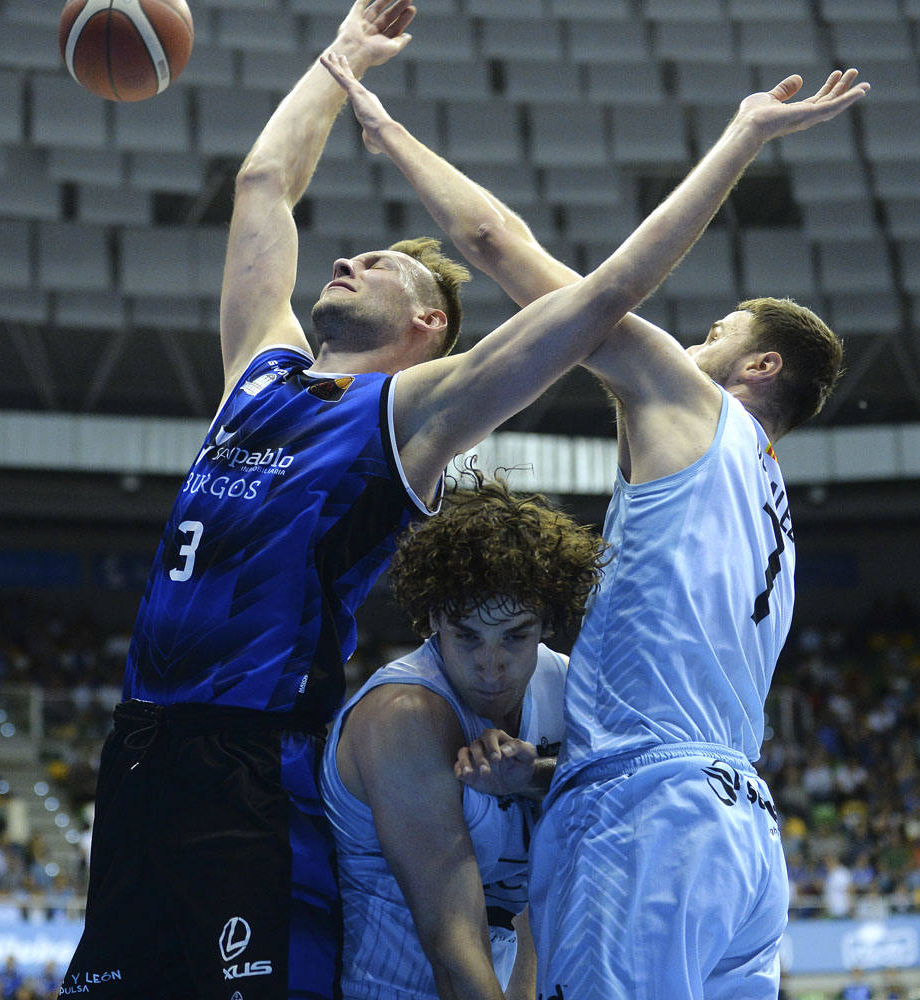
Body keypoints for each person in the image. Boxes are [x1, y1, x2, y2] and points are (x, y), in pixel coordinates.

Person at [62, 0, 869, 992]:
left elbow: (594, 294)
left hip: (254, 761)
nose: (348, 258)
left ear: (428, 323)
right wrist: (340, 56)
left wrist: (738, 137)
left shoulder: (413, 415)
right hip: (139, 746)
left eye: (382, 265)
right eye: (349, 255)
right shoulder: (256, 379)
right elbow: (265, 184)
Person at [320, 49, 870, 1000]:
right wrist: (533, 774)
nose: (697, 339)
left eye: (722, 332)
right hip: (745, 834)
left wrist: (387, 134)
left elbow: (499, 245)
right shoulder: (772, 513)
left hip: (646, 819)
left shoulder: (691, 404)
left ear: (762, 367)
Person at [321, 468, 605, 1000]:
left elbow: (558, 888)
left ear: (548, 621)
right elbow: (452, 947)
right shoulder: (402, 716)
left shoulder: (569, 687)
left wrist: (535, 776)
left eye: (514, 636)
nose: (490, 667)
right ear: (432, 619)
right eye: (467, 636)